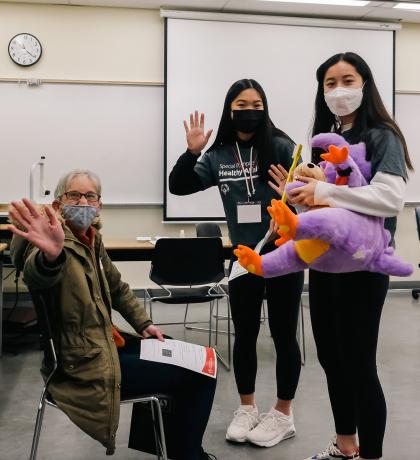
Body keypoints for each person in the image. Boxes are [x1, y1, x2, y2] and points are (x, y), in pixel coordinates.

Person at [8, 169, 217, 460]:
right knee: (202, 374)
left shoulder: (91, 240)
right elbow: (37, 275)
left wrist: (144, 324)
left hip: (103, 346)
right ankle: (189, 455)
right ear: (57, 205)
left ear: (99, 205)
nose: (82, 202)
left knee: (183, 351)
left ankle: (173, 449)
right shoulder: (51, 243)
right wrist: (50, 256)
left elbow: (118, 288)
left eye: (90, 196)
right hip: (81, 366)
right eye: (74, 195)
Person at [283, 52, 413, 460]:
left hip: (364, 264)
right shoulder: (325, 136)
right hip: (326, 262)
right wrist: (297, 200)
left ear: (365, 84)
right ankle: (346, 447)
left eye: (347, 80)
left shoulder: (381, 135)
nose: (339, 90)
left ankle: (371, 455)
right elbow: (334, 207)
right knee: (330, 358)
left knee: (358, 364)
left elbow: (390, 198)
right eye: (330, 83)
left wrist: (324, 190)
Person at [169, 79, 304, 448]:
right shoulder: (218, 154)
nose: (250, 110)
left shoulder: (280, 145)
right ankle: (247, 408)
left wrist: (290, 200)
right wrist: (191, 152)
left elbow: (305, 191)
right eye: (243, 104)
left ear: (265, 109)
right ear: (231, 110)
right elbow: (178, 186)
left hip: (283, 256)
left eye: (257, 104)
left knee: (282, 335)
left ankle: (283, 413)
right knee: (243, 335)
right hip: (245, 258)